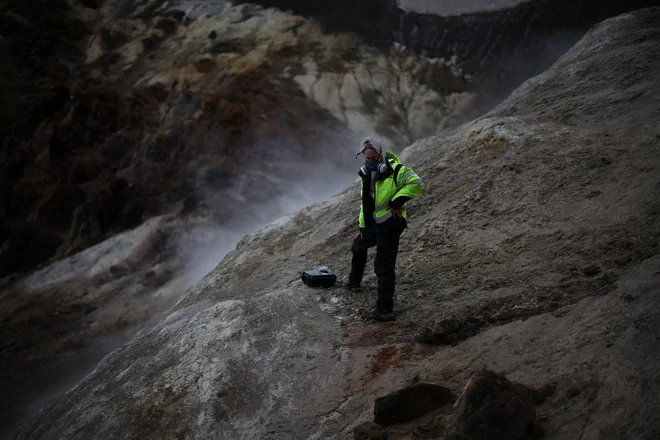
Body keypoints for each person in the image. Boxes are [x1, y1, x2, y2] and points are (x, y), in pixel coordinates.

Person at [347, 137, 424, 321]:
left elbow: (416, 183)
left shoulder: (397, 170)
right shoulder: (366, 175)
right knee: (358, 246)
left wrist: (397, 201)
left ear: (381, 154)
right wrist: (362, 225)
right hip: (375, 223)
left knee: (383, 266)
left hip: (391, 223)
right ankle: (353, 283)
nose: (371, 162)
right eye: (367, 159)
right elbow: (366, 202)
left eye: (374, 157)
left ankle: (384, 309)